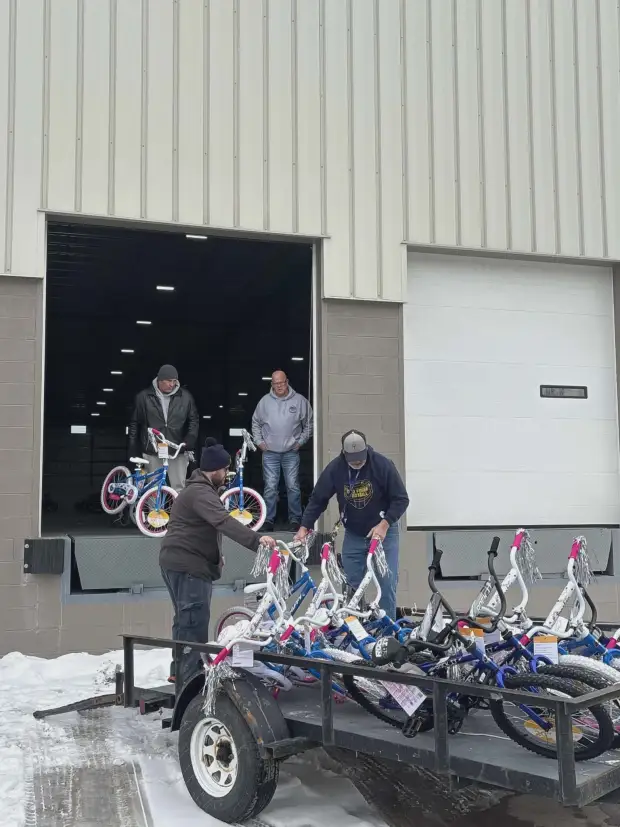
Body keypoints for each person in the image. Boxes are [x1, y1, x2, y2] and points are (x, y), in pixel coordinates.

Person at [160, 438, 276, 686]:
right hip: (189, 566)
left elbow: (204, 528)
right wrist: (257, 540)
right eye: (224, 470)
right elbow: (223, 521)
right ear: (214, 470)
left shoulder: (198, 490)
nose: (226, 475)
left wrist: (215, 553)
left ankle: (179, 671)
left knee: (184, 619)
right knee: (194, 622)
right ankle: (191, 681)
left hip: (177, 562)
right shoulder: (201, 493)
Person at [294, 430, 409, 619]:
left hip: (383, 534)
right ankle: (354, 627)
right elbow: (318, 500)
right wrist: (304, 527)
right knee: (351, 586)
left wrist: (384, 524)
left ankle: (387, 630)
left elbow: (401, 499)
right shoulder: (335, 469)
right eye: (353, 460)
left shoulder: (382, 465)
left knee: (386, 583)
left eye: (360, 458)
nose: (357, 463)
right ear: (344, 453)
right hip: (354, 534)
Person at [251, 370, 313, 532]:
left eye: (281, 382)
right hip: (270, 453)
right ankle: (268, 520)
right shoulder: (264, 402)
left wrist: (300, 442)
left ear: (287, 382)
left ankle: (295, 520)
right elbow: (255, 422)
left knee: (293, 486)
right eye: (275, 383)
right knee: (270, 487)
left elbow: (309, 424)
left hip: (291, 452)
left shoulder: (300, 401)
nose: (279, 386)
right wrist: (259, 442)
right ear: (272, 384)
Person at [128, 364, 199, 492]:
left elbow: (194, 420)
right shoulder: (143, 397)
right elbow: (134, 423)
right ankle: (151, 506)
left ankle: (177, 506)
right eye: (168, 381)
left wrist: (190, 439)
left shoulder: (186, 397)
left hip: (177, 449)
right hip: (152, 449)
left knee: (179, 488)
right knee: (153, 489)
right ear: (160, 380)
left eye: (174, 381)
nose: (172, 384)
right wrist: (133, 448)